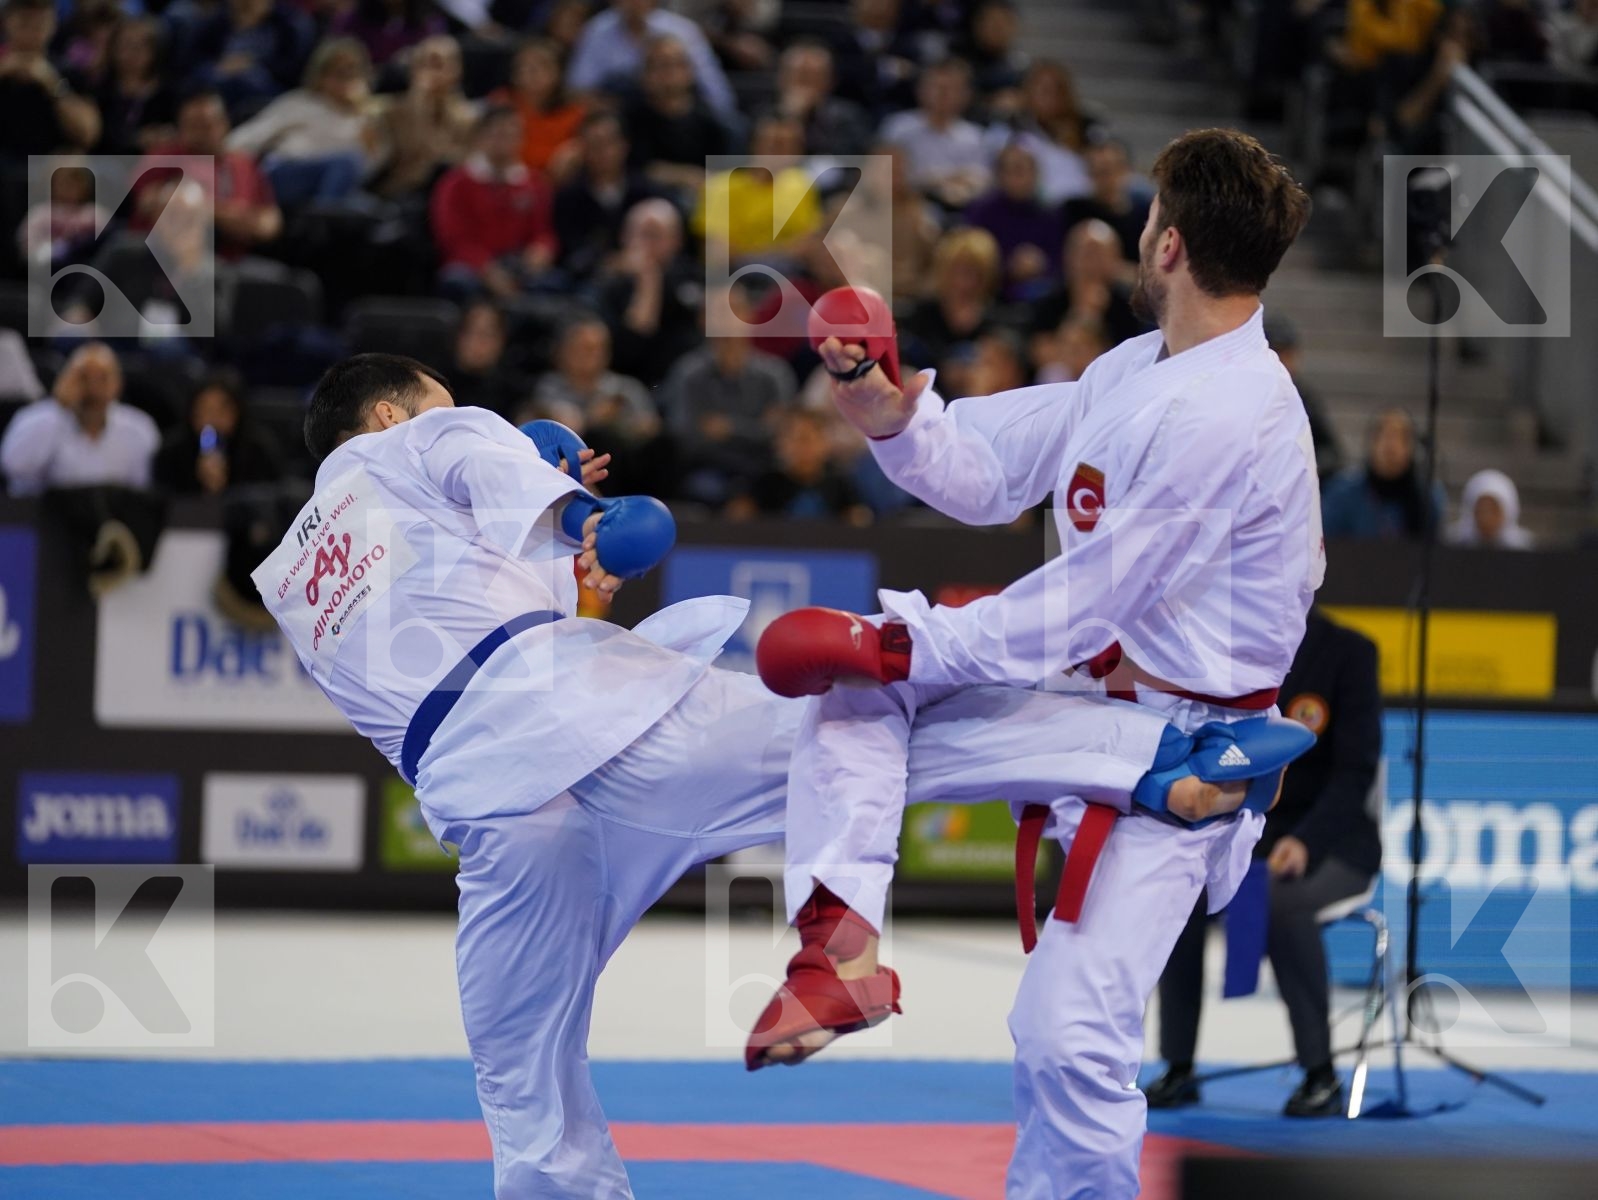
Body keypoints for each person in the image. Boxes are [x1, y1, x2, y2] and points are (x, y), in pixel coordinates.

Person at [247, 351, 1288, 1199]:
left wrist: (564, 560)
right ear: (391, 413)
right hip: (591, 728)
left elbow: (460, 629)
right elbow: (490, 476)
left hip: (490, 805)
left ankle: (1153, 765)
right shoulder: (433, 435)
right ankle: (1162, 753)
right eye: (441, 399)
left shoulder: (293, 572)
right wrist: (573, 518)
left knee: (519, 1072)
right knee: (856, 717)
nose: (460, 411)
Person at [746, 128, 1321, 1199]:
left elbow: (1092, 598)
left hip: (1182, 750)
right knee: (852, 682)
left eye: (1147, 214)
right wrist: (891, 414)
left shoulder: (1230, 413)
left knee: (1064, 1034)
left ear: (1166, 246)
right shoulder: (1134, 368)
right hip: (1076, 704)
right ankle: (839, 953)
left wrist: (914, 640)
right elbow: (991, 464)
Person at [1146, 607, 1383, 1118]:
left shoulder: (1349, 653)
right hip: (1246, 831)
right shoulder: (1224, 644)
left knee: (1282, 903)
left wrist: (1305, 841)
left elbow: (1355, 772)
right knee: (1180, 890)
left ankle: (1320, 1074)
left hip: (1334, 844)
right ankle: (1177, 1065)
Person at [226, 37, 387, 208]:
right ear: (321, 76)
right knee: (347, 161)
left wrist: (369, 140)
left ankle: (323, 216)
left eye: (352, 72)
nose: (346, 80)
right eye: (339, 73)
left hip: (330, 190)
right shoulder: (301, 102)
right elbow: (251, 136)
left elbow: (364, 173)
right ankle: (322, 220)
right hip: (285, 173)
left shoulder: (366, 120)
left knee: (377, 210)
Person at [430, 105, 558, 300]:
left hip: (518, 267)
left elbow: (543, 231)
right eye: (498, 133)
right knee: (457, 282)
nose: (505, 141)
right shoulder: (456, 183)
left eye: (512, 134)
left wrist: (541, 250)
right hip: (472, 268)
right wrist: (487, 270)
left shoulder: (534, 183)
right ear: (480, 137)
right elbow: (454, 239)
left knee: (554, 284)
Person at [139, 89, 284, 260]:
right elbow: (149, 202)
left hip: (235, 261)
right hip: (171, 255)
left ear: (224, 124)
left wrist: (221, 215)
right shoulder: (167, 157)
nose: (201, 134)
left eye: (207, 125)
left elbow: (270, 223)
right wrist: (225, 215)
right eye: (193, 126)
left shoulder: (245, 164)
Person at [1, 342, 159, 496]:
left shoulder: (139, 428)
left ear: (117, 384)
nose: (93, 387)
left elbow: (144, 489)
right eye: (83, 377)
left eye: (102, 378)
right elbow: (14, 468)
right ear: (65, 380)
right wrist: (60, 408)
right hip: (47, 516)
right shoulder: (34, 420)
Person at [567, 0, 737, 120]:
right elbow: (578, 91)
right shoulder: (596, 30)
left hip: (682, 117)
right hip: (625, 123)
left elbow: (716, 91)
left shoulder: (683, 31)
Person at [153, 369, 285, 495]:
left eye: (221, 411)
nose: (213, 419)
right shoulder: (170, 453)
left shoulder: (259, 449)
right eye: (205, 410)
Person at [0, 0, 101, 164]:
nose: (32, 32)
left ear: (53, 25)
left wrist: (53, 85)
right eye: (24, 23)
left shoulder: (68, 72)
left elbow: (88, 134)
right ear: (6, 22)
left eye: (40, 24)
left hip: (49, 167)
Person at [1321, 407, 1445, 540]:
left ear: (1412, 447)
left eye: (1400, 437)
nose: (1391, 446)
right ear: (1371, 443)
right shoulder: (1342, 494)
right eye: (1384, 435)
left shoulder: (1427, 498)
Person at [1264, 313, 1343, 481]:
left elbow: (1332, 453)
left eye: (1288, 354)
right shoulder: (1250, 397)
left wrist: (1303, 466)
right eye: (1277, 353)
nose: (1284, 362)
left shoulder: (1305, 398)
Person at [1448, 467, 1534, 549]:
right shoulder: (1450, 543)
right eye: (1480, 510)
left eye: (1494, 510)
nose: (1485, 517)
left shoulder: (1526, 547)